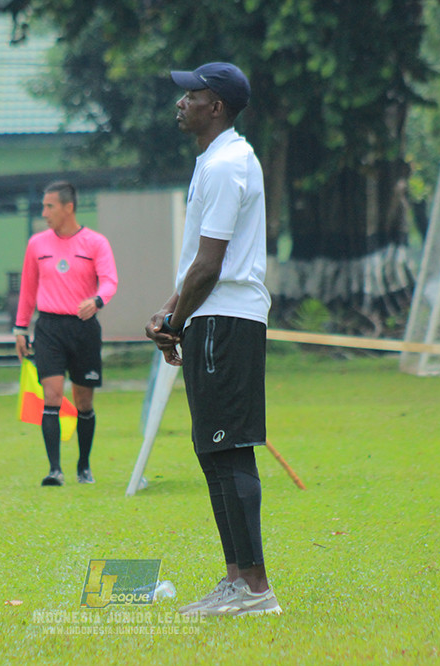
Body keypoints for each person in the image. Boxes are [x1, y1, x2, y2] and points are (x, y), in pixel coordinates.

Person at [144, 62, 281, 616]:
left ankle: (255, 588)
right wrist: (170, 311)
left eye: (191, 95)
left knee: (230, 450)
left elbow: (211, 265)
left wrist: (175, 322)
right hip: (212, 317)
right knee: (215, 452)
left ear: (216, 106)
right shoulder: (216, 161)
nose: (181, 102)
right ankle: (236, 581)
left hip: (225, 321)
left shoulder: (227, 165)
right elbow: (198, 267)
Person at [15, 181, 118, 487]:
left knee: (83, 401)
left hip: (83, 328)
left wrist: (97, 300)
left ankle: (83, 466)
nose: (44, 213)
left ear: (68, 207)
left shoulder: (95, 243)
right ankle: (54, 470)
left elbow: (110, 280)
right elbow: (28, 289)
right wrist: (21, 328)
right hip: (49, 328)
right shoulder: (37, 245)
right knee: (52, 395)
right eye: (43, 206)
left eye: (49, 206)